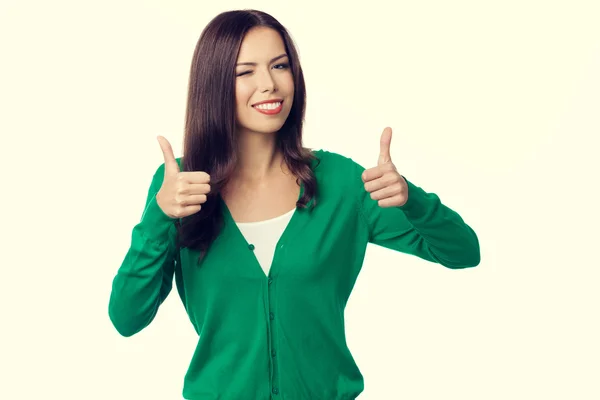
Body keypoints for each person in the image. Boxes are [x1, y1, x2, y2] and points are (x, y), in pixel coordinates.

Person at [108, 9, 480, 400]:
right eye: (244, 71)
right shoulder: (180, 186)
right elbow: (127, 318)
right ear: (214, 84)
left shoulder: (341, 184)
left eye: (280, 65)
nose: (268, 84)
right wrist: (159, 215)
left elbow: (463, 252)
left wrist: (412, 199)